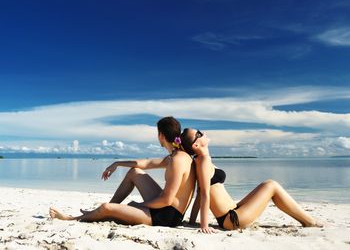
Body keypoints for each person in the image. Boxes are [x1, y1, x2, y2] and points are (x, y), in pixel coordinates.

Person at [49, 117, 196, 228]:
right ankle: (104, 211)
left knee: (106, 207)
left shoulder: (178, 160)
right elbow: (145, 163)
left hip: (166, 217)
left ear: (161, 136)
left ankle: (70, 218)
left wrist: (139, 205)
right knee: (135, 172)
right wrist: (117, 163)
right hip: (166, 209)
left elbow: (167, 200)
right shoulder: (174, 156)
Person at [180, 128, 322, 233]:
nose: (202, 132)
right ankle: (310, 222)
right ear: (196, 145)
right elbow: (204, 194)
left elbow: (199, 194)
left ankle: (308, 221)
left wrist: (192, 221)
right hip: (232, 219)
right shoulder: (203, 162)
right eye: (198, 133)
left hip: (234, 211)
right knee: (271, 185)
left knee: (267, 185)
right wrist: (204, 225)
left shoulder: (201, 161)